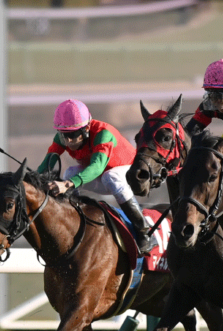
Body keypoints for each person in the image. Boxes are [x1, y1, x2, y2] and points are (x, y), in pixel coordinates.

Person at [38, 99, 152, 256]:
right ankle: (75, 221)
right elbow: (46, 164)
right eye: (63, 135)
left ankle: (143, 231)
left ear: (86, 128)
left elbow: (97, 167)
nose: (68, 141)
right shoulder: (63, 138)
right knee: (69, 173)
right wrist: (31, 181)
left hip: (131, 174)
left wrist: (67, 184)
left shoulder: (103, 133)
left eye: (73, 135)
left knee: (109, 176)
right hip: (104, 176)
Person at [184, 59, 223, 148]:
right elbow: (188, 134)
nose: (215, 101)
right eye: (211, 94)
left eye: (221, 95)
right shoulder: (211, 104)